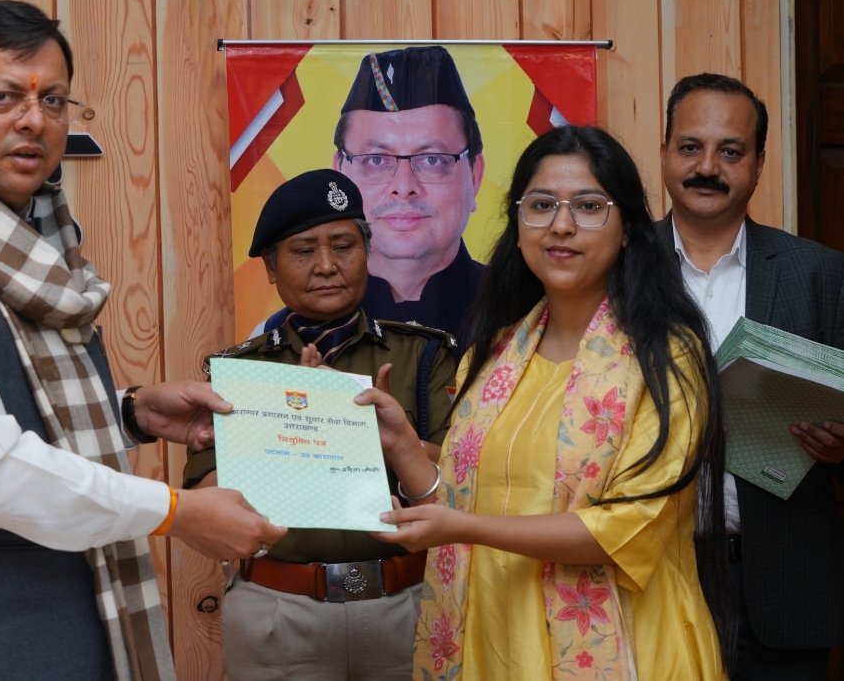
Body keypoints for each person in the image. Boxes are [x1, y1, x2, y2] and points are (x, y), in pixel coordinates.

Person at [0, 2, 285, 681]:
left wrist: (130, 411)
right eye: (2, 97)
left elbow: (5, 400)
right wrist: (176, 511)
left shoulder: (19, 237)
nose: (34, 120)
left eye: (54, 100)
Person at [362, 125, 735, 680]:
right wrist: (403, 447)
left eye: (589, 206)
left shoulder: (666, 358)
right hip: (494, 640)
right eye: (541, 205)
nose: (561, 225)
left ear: (628, 229)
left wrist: (464, 528)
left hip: (627, 645)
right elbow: (460, 498)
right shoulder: (493, 353)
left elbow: (622, 530)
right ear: (517, 226)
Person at [183, 169, 458, 680]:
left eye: (343, 246)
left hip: (409, 601)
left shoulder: (422, 357)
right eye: (304, 250)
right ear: (271, 268)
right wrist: (297, 429)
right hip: (279, 609)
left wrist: (371, 434)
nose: (327, 266)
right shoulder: (241, 372)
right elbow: (206, 496)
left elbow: (462, 479)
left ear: (367, 253)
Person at [657, 73, 844, 680]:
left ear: (760, 163)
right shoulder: (619, 270)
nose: (707, 167)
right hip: (649, 573)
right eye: (690, 147)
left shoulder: (818, 274)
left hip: (783, 585)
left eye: (730, 151)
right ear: (665, 153)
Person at [263, 46, 485, 341]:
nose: (403, 186)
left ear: (474, 175)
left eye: (433, 159)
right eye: (376, 160)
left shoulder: (526, 317)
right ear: (341, 174)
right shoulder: (280, 336)